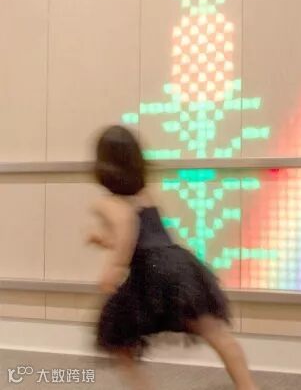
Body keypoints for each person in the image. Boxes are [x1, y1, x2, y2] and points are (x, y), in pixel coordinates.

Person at [87, 125, 256, 390]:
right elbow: (142, 233)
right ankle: (248, 387)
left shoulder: (108, 203)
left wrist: (114, 268)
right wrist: (106, 241)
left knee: (117, 338)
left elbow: (127, 225)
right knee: (214, 331)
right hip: (178, 264)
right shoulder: (145, 193)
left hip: (152, 271)